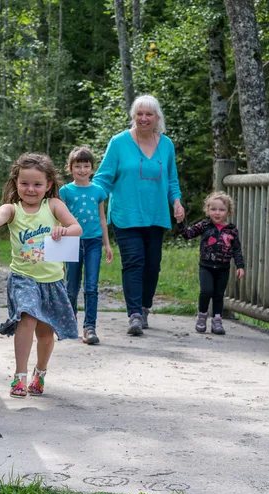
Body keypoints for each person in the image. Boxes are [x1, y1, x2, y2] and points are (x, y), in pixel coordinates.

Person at [0, 152, 82, 398]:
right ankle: (19, 377)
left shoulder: (54, 205)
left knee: (45, 335)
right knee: (27, 316)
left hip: (52, 282)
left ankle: (40, 373)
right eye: (25, 183)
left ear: (48, 186)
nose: (31, 189)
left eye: (37, 184)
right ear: (16, 184)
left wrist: (63, 231)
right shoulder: (12, 209)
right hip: (24, 278)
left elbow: (77, 228)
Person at [92, 94, 184, 336]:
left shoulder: (166, 145)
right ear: (133, 117)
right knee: (134, 262)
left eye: (149, 114)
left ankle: (144, 308)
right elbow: (103, 177)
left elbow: (172, 179)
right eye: (139, 114)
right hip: (126, 213)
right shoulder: (119, 142)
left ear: (157, 118)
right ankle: (134, 314)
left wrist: (176, 202)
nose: (144, 118)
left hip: (156, 214)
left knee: (152, 266)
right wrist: (89, 197)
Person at [60, 146, 114, 345]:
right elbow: (59, 221)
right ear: (70, 168)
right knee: (71, 287)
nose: (82, 170)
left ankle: (89, 327)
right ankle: (70, 321)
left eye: (86, 166)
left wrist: (107, 245)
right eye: (78, 166)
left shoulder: (98, 191)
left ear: (92, 168)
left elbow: (102, 219)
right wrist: (60, 250)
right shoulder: (65, 191)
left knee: (91, 286)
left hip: (94, 242)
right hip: (72, 241)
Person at [175, 191, 245, 335]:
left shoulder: (232, 230)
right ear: (208, 210)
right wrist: (180, 222)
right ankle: (202, 317)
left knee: (219, 294)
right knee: (206, 291)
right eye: (213, 209)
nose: (217, 213)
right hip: (206, 266)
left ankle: (217, 321)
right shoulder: (205, 225)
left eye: (221, 210)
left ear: (228, 212)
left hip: (223, 268)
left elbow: (236, 249)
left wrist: (240, 266)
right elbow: (188, 235)